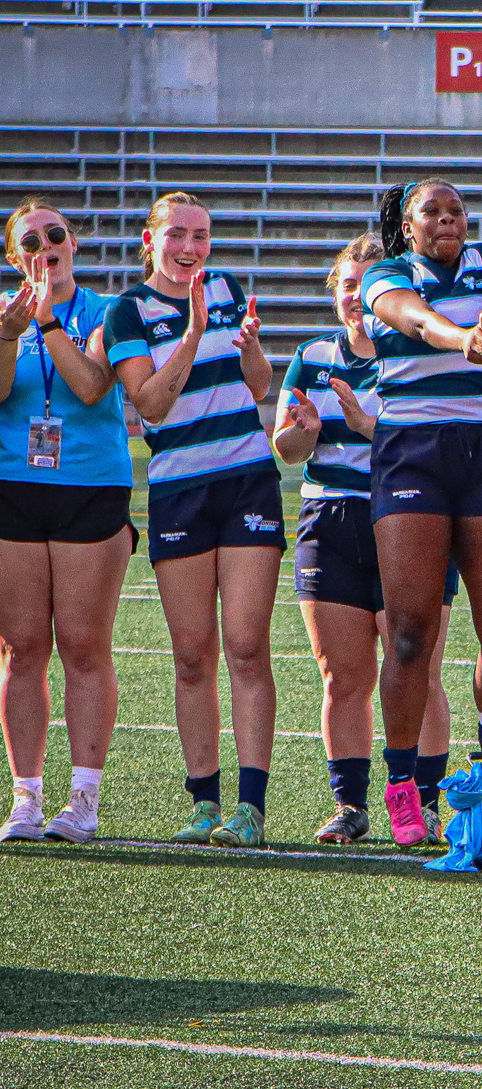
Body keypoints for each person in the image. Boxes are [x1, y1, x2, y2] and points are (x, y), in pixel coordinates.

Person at [103, 192, 283, 848]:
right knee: (190, 656)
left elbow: (255, 386)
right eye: (177, 233)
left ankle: (250, 808)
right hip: (179, 486)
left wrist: (251, 345)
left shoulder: (229, 287)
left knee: (244, 644)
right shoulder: (127, 310)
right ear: (149, 239)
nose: (190, 247)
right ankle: (203, 800)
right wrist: (188, 335)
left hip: (247, 480)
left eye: (201, 235)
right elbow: (148, 400)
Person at [361, 180, 482, 846]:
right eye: (431, 212)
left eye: (455, 210)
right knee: (410, 632)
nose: (446, 220)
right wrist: (458, 337)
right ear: (407, 227)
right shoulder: (386, 272)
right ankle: (405, 784)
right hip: (411, 451)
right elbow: (411, 317)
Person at [273, 234, 463, 845]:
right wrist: (303, 430)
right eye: (347, 285)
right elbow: (287, 447)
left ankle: (425, 801)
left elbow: (431, 443)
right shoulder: (312, 355)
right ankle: (350, 804)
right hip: (328, 519)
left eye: (367, 285)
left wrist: (366, 425)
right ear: (335, 292)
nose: (357, 297)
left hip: (408, 520)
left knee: (418, 666)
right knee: (341, 675)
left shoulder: (413, 356)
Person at [0, 200, 133, 844]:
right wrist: (8, 334)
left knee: (84, 646)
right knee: (21, 648)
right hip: (14, 486)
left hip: (90, 485)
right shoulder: (4, 309)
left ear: (72, 244)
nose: (45, 246)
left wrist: (48, 323)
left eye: (55, 235)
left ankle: (84, 798)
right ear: (14, 255)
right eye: (31, 240)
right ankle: (25, 796)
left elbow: (90, 387)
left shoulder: (108, 311)